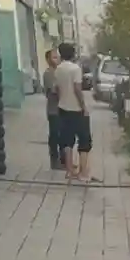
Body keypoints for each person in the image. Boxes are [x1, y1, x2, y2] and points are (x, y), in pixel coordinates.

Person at [54, 42, 92, 182]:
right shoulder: (75, 69)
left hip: (63, 107)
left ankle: (69, 171)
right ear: (73, 54)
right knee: (84, 140)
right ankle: (83, 173)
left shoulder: (58, 69)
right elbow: (77, 88)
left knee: (67, 140)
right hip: (76, 109)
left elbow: (57, 88)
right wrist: (83, 106)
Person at [41, 49, 62, 169]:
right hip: (53, 109)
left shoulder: (59, 72)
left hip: (62, 108)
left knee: (63, 135)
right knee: (54, 135)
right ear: (48, 60)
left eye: (57, 57)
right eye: (54, 57)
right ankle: (54, 160)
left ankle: (64, 159)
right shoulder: (49, 73)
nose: (57, 59)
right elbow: (53, 90)